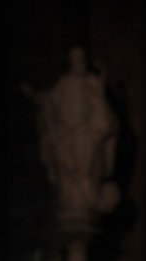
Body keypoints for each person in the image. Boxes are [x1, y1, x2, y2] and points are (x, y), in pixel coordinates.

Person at [21, 46, 120, 221]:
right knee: (68, 165)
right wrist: (34, 96)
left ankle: (86, 194)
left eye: (80, 59)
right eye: (74, 59)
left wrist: (103, 76)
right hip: (68, 132)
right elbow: (49, 99)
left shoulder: (90, 81)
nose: (77, 62)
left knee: (87, 164)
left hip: (84, 131)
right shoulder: (64, 83)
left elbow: (100, 97)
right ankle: (75, 195)